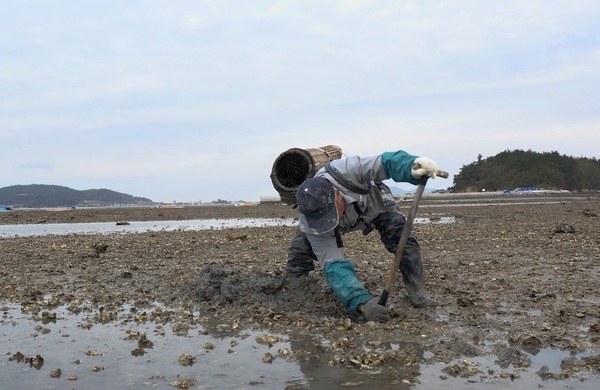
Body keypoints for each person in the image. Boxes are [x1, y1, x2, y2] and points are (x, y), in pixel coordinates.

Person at [286, 150, 439, 323]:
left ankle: (417, 291)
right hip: (327, 221)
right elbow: (333, 264)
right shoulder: (310, 223)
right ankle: (294, 290)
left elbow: (386, 163)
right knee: (299, 249)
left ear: (336, 194)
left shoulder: (348, 171)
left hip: (374, 202)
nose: (329, 222)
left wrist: (412, 166)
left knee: (402, 237)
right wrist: (362, 303)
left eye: (329, 215)